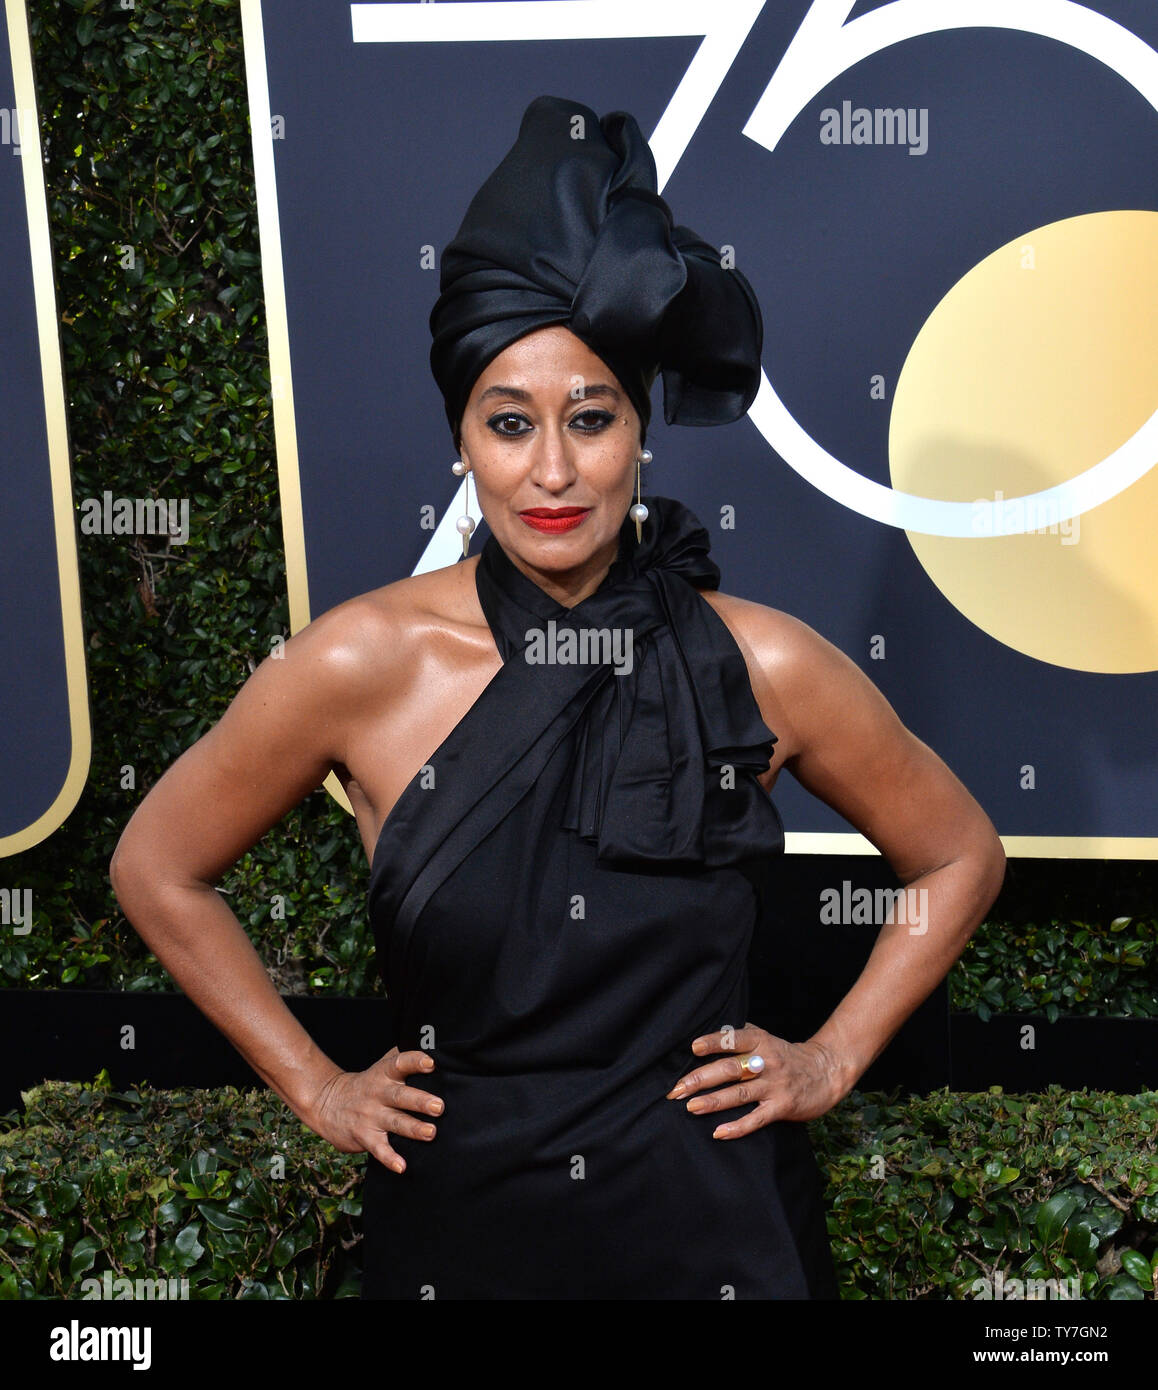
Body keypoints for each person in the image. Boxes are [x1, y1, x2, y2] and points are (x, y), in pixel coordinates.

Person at [110, 95, 1006, 1300]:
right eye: (509, 422)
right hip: (464, 1227)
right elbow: (156, 866)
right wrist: (318, 1084)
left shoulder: (767, 663)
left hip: (719, 1226)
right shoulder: (356, 663)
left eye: (591, 419)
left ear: (642, 430)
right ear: (462, 438)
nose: (550, 469)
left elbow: (957, 854)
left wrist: (831, 1058)